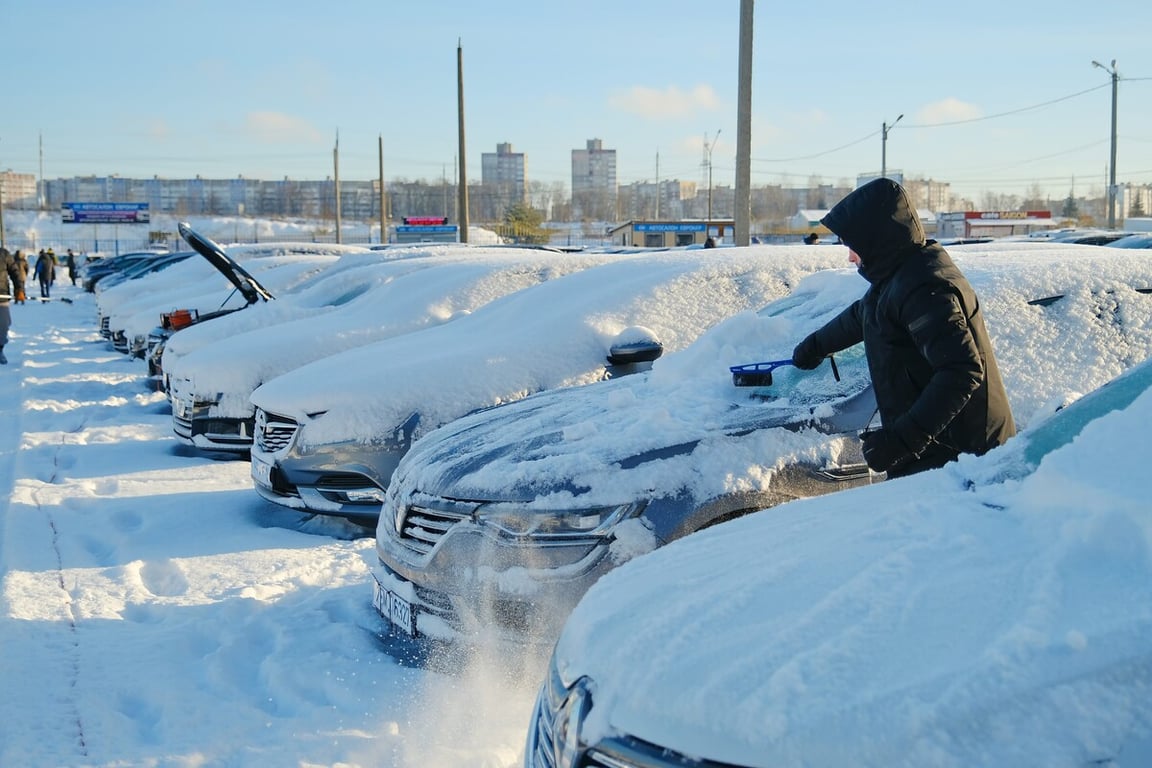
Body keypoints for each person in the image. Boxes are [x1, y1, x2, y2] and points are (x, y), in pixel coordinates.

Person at [790, 177, 1015, 478]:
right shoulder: (900, 275)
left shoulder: (925, 286)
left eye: (853, 246)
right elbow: (864, 315)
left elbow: (962, 370)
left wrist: (901, 441)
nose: (850, 257)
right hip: (937, 452)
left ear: (876, 239)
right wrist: (816, 346)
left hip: (962, 459)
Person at [0, 247, 25, 364]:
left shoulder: (4, 254)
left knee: (3, 325)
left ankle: (0, 349)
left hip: (2, 296)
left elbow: (15, 272)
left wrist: (19, 289)